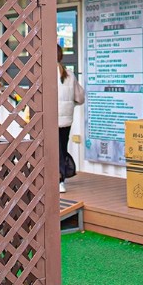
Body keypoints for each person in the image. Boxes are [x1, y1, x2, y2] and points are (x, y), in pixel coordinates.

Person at [56, 45, 84, 193]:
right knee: (61, 148)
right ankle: (62, 177)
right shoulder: (69, 75)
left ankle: (59, 179)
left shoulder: (44, 74)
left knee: (54, 150)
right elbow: (80, 98)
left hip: (50, 120)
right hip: (66, 120)